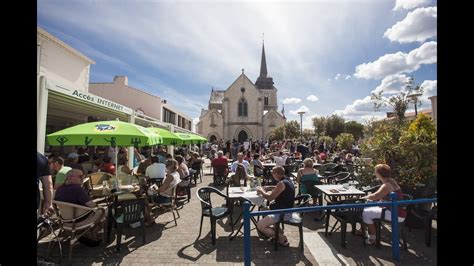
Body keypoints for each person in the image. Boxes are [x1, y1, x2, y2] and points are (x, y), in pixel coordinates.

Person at [54, 169, 106, 244]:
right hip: (80, 220)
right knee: (104, 211)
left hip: (65, 221)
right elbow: (91, 205)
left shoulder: (60, 189)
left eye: (83, 176)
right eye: (80, 176)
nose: (82, 178)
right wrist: (98, 205)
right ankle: (97, 237)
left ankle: (83, 234)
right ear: (70, 177)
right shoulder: (78, 189)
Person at [360, 164, 407, 244]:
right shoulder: (391, 181)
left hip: (395, 213)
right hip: (398, 211)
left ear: (378, 173)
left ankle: (373, 238)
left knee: (366, 213)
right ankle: (363, 230)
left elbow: (375, 196)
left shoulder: (387, 185)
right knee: (368, 207)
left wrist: (362, 198)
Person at [256, 166, 295, 247]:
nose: (272, 175)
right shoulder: (287, 180)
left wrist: (261, 191)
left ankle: (281, 238)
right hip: (286, 209)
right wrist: (269, 187)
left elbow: (270, 198)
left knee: (259, 225)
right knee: (263, 209)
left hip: (283, 213)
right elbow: (279, 188)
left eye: (272, 174)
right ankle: (278, 231)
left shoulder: (281, 183)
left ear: (277, 174)